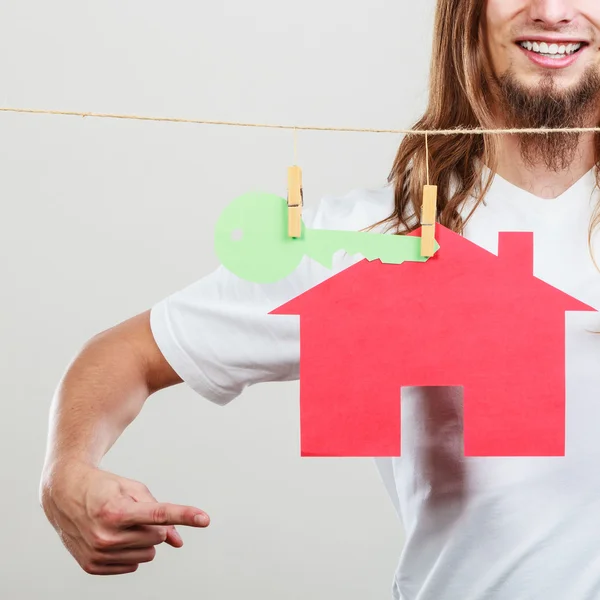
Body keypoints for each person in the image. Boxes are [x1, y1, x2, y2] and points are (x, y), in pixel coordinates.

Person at [39, 0, 600, 598]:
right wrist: (66, 473)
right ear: (465, 12)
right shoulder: (370, 240)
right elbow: (124, 353)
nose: (551, 11)